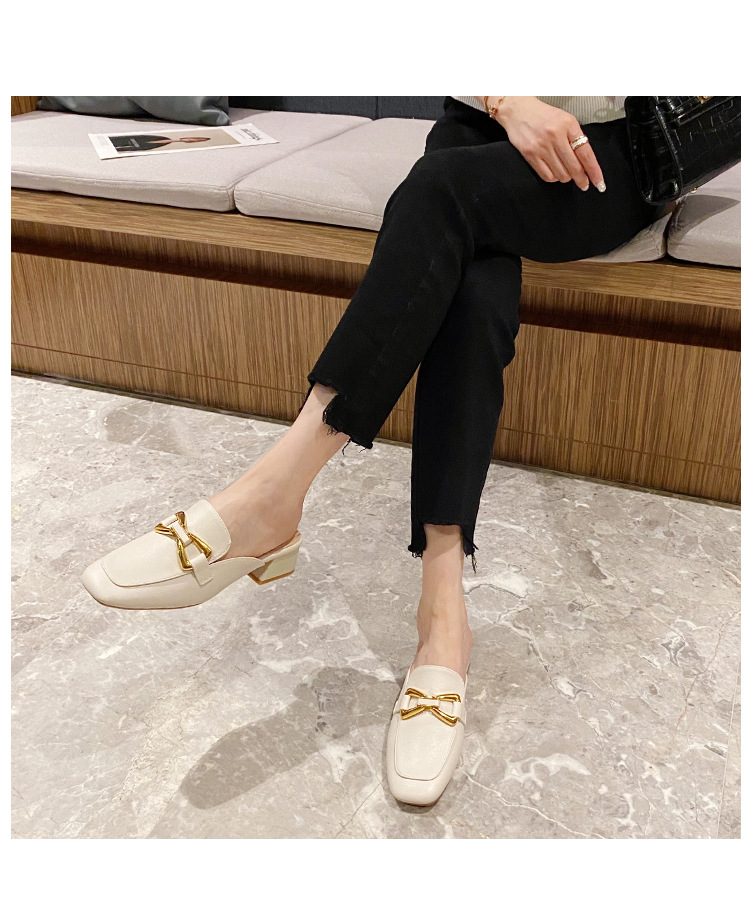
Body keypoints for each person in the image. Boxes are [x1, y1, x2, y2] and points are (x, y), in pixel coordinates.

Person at [81, 96, 663, 807]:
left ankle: (272, 498)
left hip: (619, 146)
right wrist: (508, 100)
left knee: (440, 193)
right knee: (474, 285)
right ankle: (442, 616)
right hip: (484, 120)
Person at [110, 134, 211, 153]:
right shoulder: (162, 138)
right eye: (191, 139)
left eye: (192, 141)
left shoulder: (163, 143)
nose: (189, 140)